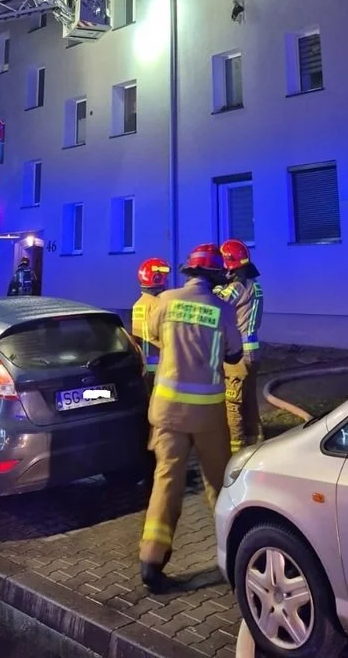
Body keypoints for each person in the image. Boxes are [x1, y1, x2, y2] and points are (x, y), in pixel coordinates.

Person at [139, 243, 242, 589]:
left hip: (167, 412)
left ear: (190, 272)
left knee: (167, 480)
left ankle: (151, 560)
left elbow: (154, 336)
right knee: (219, 483)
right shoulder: (223, 309)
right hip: (207, 415)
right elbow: (233, 354)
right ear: (215, 276)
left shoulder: (166, 301)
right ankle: (235, 550)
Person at [217, 239, 264, 453]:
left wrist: (215, 284)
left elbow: (216, 302)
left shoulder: (236, 287)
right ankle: (256, 441)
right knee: (250, 399)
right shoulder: (255, 285)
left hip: (239, 355)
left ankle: (236, 449)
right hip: (253, 351)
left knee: (233, 402)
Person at [131, 257, 171, 394]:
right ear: (157, 279)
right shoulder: (160, 304)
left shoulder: (138, 305)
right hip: (163, 365)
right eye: (164, 277)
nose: (167, 281)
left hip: (145, 366)